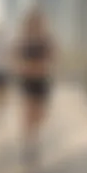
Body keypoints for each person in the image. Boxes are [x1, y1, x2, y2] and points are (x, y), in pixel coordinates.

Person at [14, 9, 56, 163]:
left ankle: (34, 136)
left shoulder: (47, 41)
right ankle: (29, 144)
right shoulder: (23, 41)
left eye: (38, 22)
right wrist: (25, 68)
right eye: (32, 22)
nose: (35, 25)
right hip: (28, 81)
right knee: (28, 113)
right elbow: (15, 60)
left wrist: (43, 67)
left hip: (43, 81)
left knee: (40, 115)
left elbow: (54, 59)